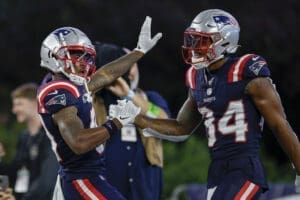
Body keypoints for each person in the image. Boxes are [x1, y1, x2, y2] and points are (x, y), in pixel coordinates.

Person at [109, 9, 300, 199]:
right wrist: (135, 118)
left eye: (202, 40)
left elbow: (279, 125)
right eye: (192, 40)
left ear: (225, 40)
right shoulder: (197, 77)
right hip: (217, 172)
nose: (194, 47)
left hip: (244, 170)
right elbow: (181, 127)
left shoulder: (245, 71)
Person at [37, 16, 161, 199]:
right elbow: (79, 142)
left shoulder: (69, 83)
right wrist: (116, 123)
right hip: (81, 176)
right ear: (53, 56)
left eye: (85, 56)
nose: (82, 62)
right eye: (76, 55)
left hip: (88, 174)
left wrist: (138, 51)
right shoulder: (58, 92)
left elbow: (106, 74)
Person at [93, 43, 171, 199]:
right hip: (107, 189)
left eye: (133, 64)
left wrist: (129, 95)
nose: (129, 71)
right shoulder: (96, 102)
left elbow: (166, 124)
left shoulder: (151, 99)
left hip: (144, 190)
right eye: (124, 65)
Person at [0, 83, 58, 200]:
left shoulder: (51, 135)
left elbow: (46, 183)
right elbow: (14, 174)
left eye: (19, 104)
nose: (14, 110)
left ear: (34, 102)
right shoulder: (24, 138)